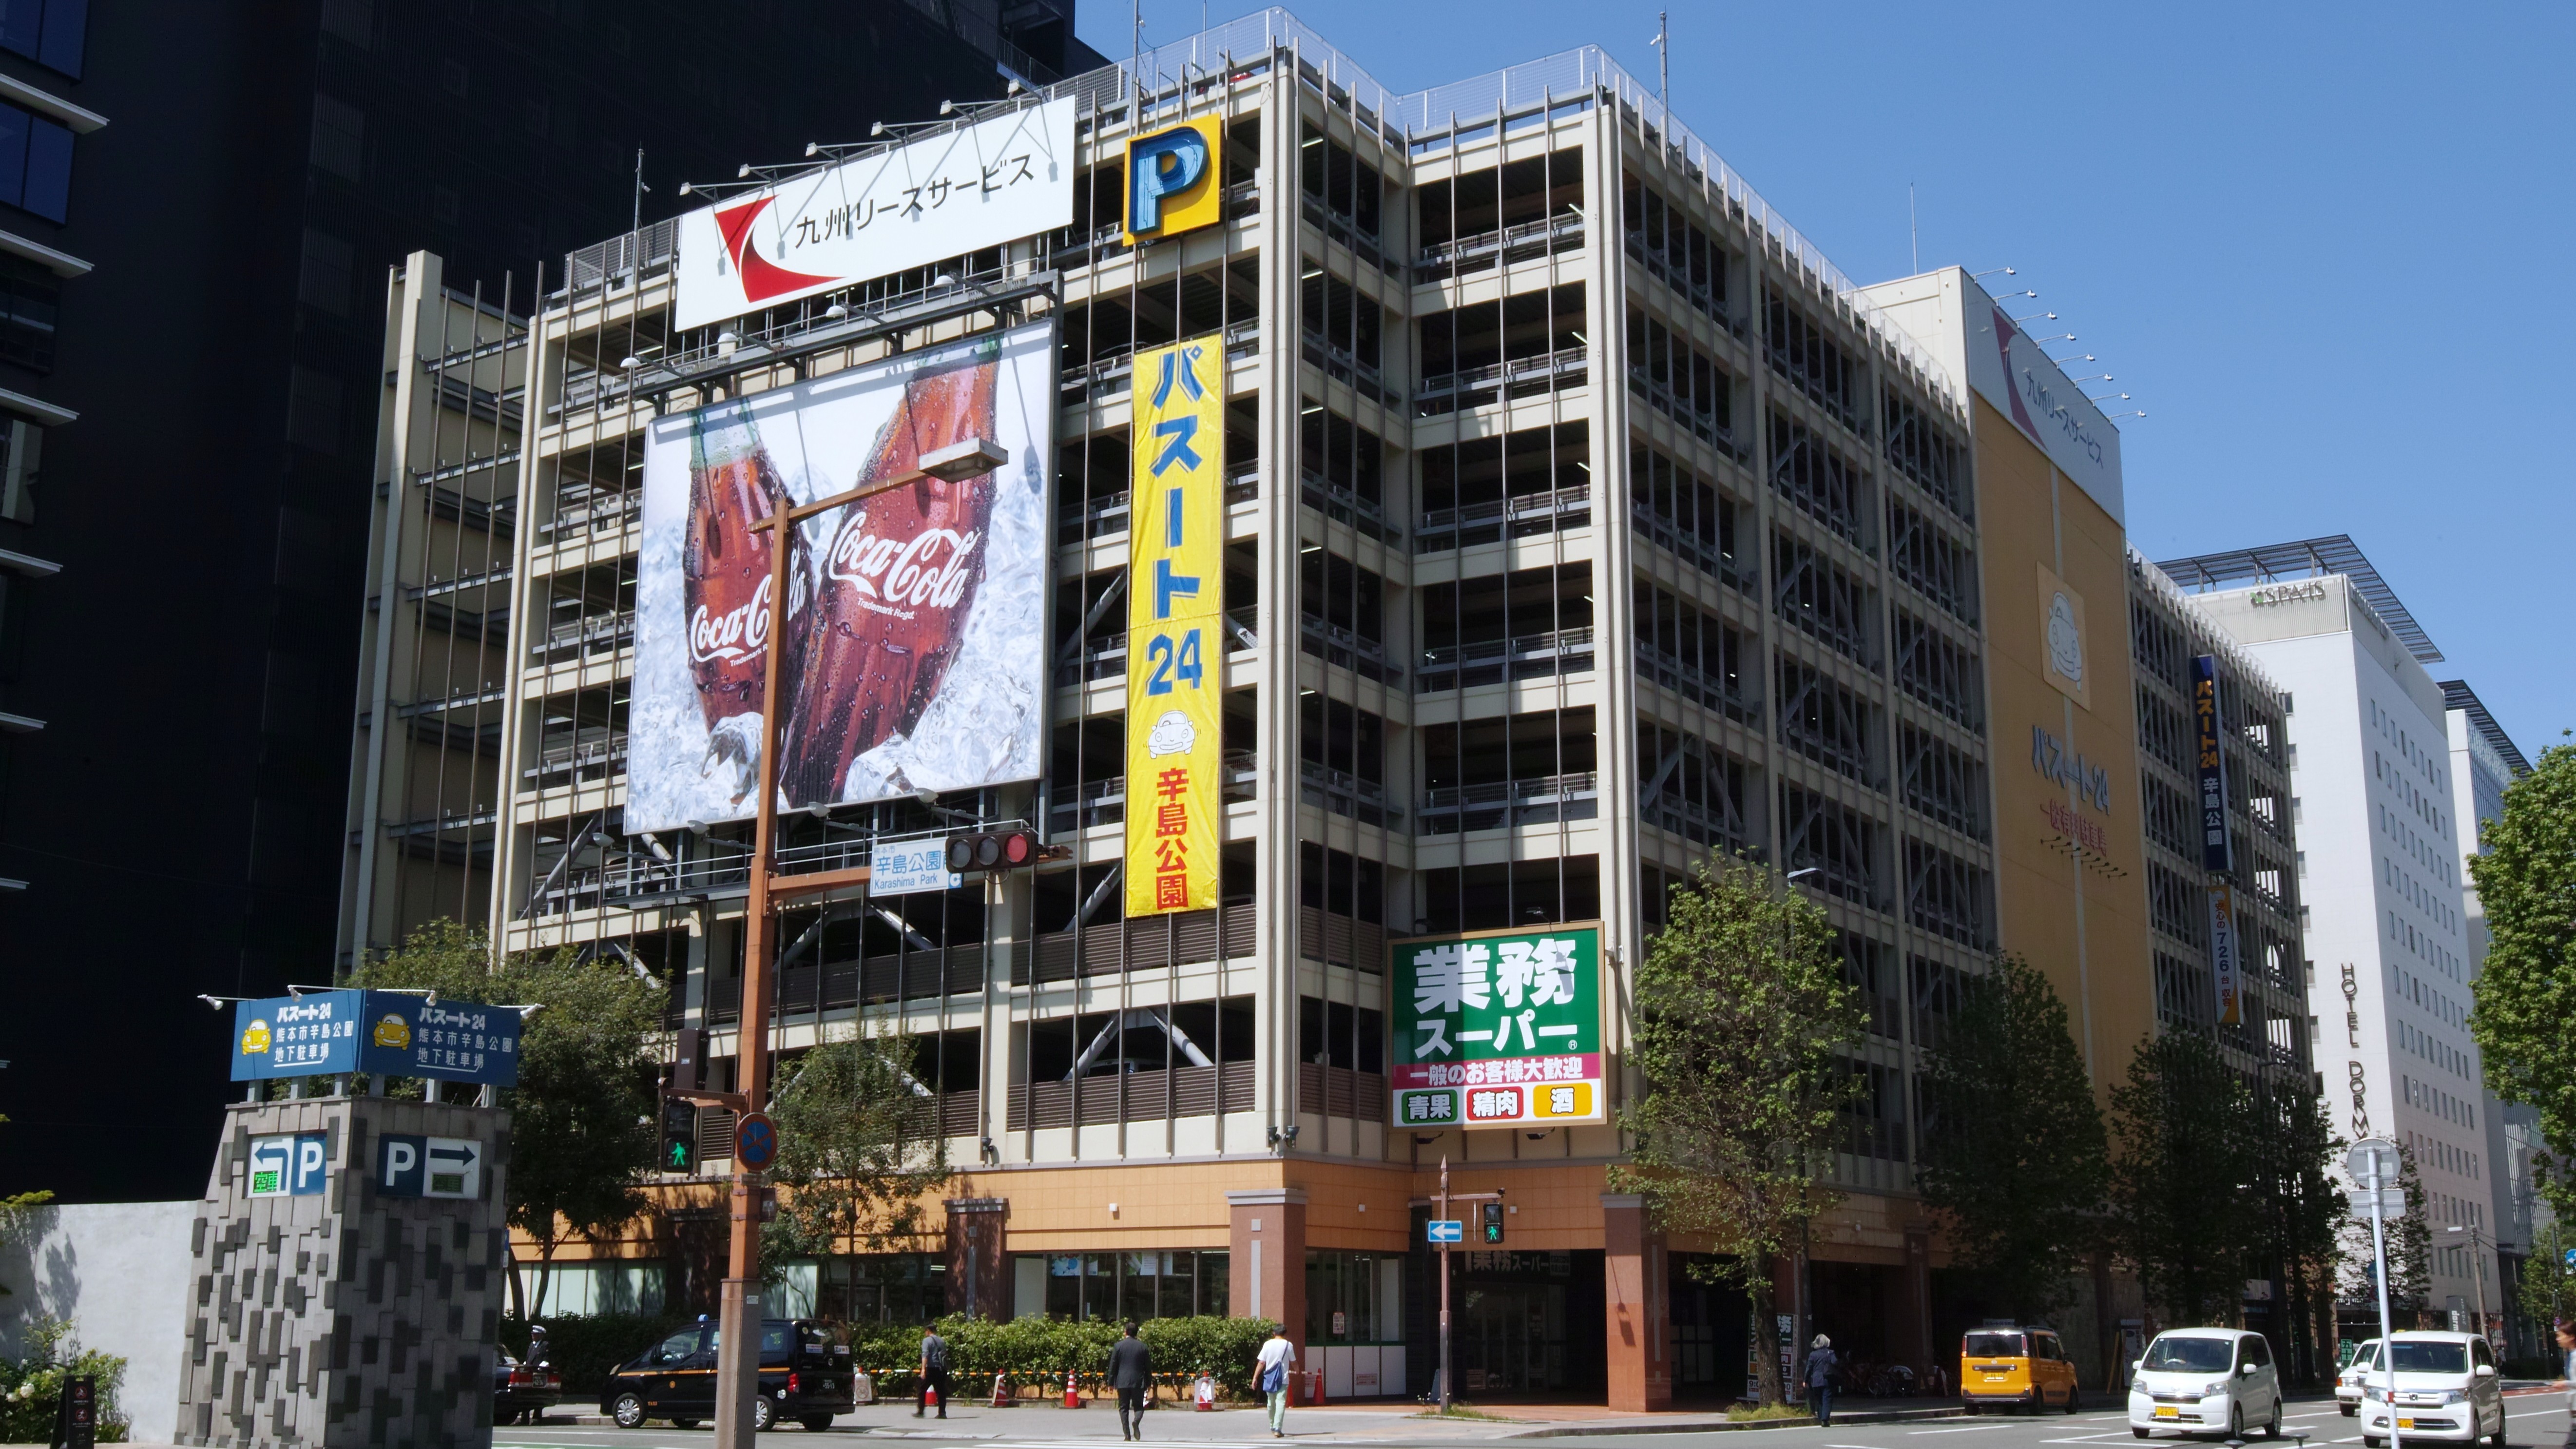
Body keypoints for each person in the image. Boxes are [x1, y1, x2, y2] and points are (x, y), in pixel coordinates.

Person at [1110, 1320, 1153, 1441]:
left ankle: (1127, 1435)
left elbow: (1113, 1366)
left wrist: (1110, 1382)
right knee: (1139, 1406)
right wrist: (1149, 1382)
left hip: (1122, 1381)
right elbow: (1148, 1367)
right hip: (1138, 1382)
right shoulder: (1143, 1347)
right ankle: (1136, 1421)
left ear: (1126, 1332)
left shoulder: (1118, 1346)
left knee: (1123, 1408)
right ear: (1137, 1333)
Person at [1254, 1326, 1296, 1438]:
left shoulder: (1267, 1344)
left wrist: (1255, 1378)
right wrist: (1298, 1371)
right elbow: (1294, 1362)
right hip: (1283, 1378)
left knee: (1271, 1403)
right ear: (1284, 1333)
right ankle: (1278, 1428)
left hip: (1270, 1378)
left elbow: (1262, 1363)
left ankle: (1272, 1426)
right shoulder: (1288, 1345)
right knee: (1281, 1403)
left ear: (1274, 1333)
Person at [915, 1320, 951, 1419]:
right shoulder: (942, 1341)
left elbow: (925, 1355)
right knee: (941, 1392)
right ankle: (942, 1413)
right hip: (941, 1369)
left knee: (922, 1390)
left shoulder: (927, 1341)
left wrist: (923, 1369)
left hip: (931, 1369)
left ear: (928, 1331)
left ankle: (921, 1411)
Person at [1803, 1334, 1839, 1427]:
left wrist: (1805, 1380)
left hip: (1816, 1381)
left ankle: (1821, 1417)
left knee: (1819, 1400)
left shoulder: (1813, 1355)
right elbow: (1835, 1362)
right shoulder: (1830, 1353)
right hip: (1827, 1379)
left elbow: (1809, 1368)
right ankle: (1825, 1419)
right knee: (1827, 1398)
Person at [2551, 1318, 2574, 1449]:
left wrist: (2565, 1383)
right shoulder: (2572, 1356)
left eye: (2561, 1336)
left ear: (2571, 1337)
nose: (2558, 1339)